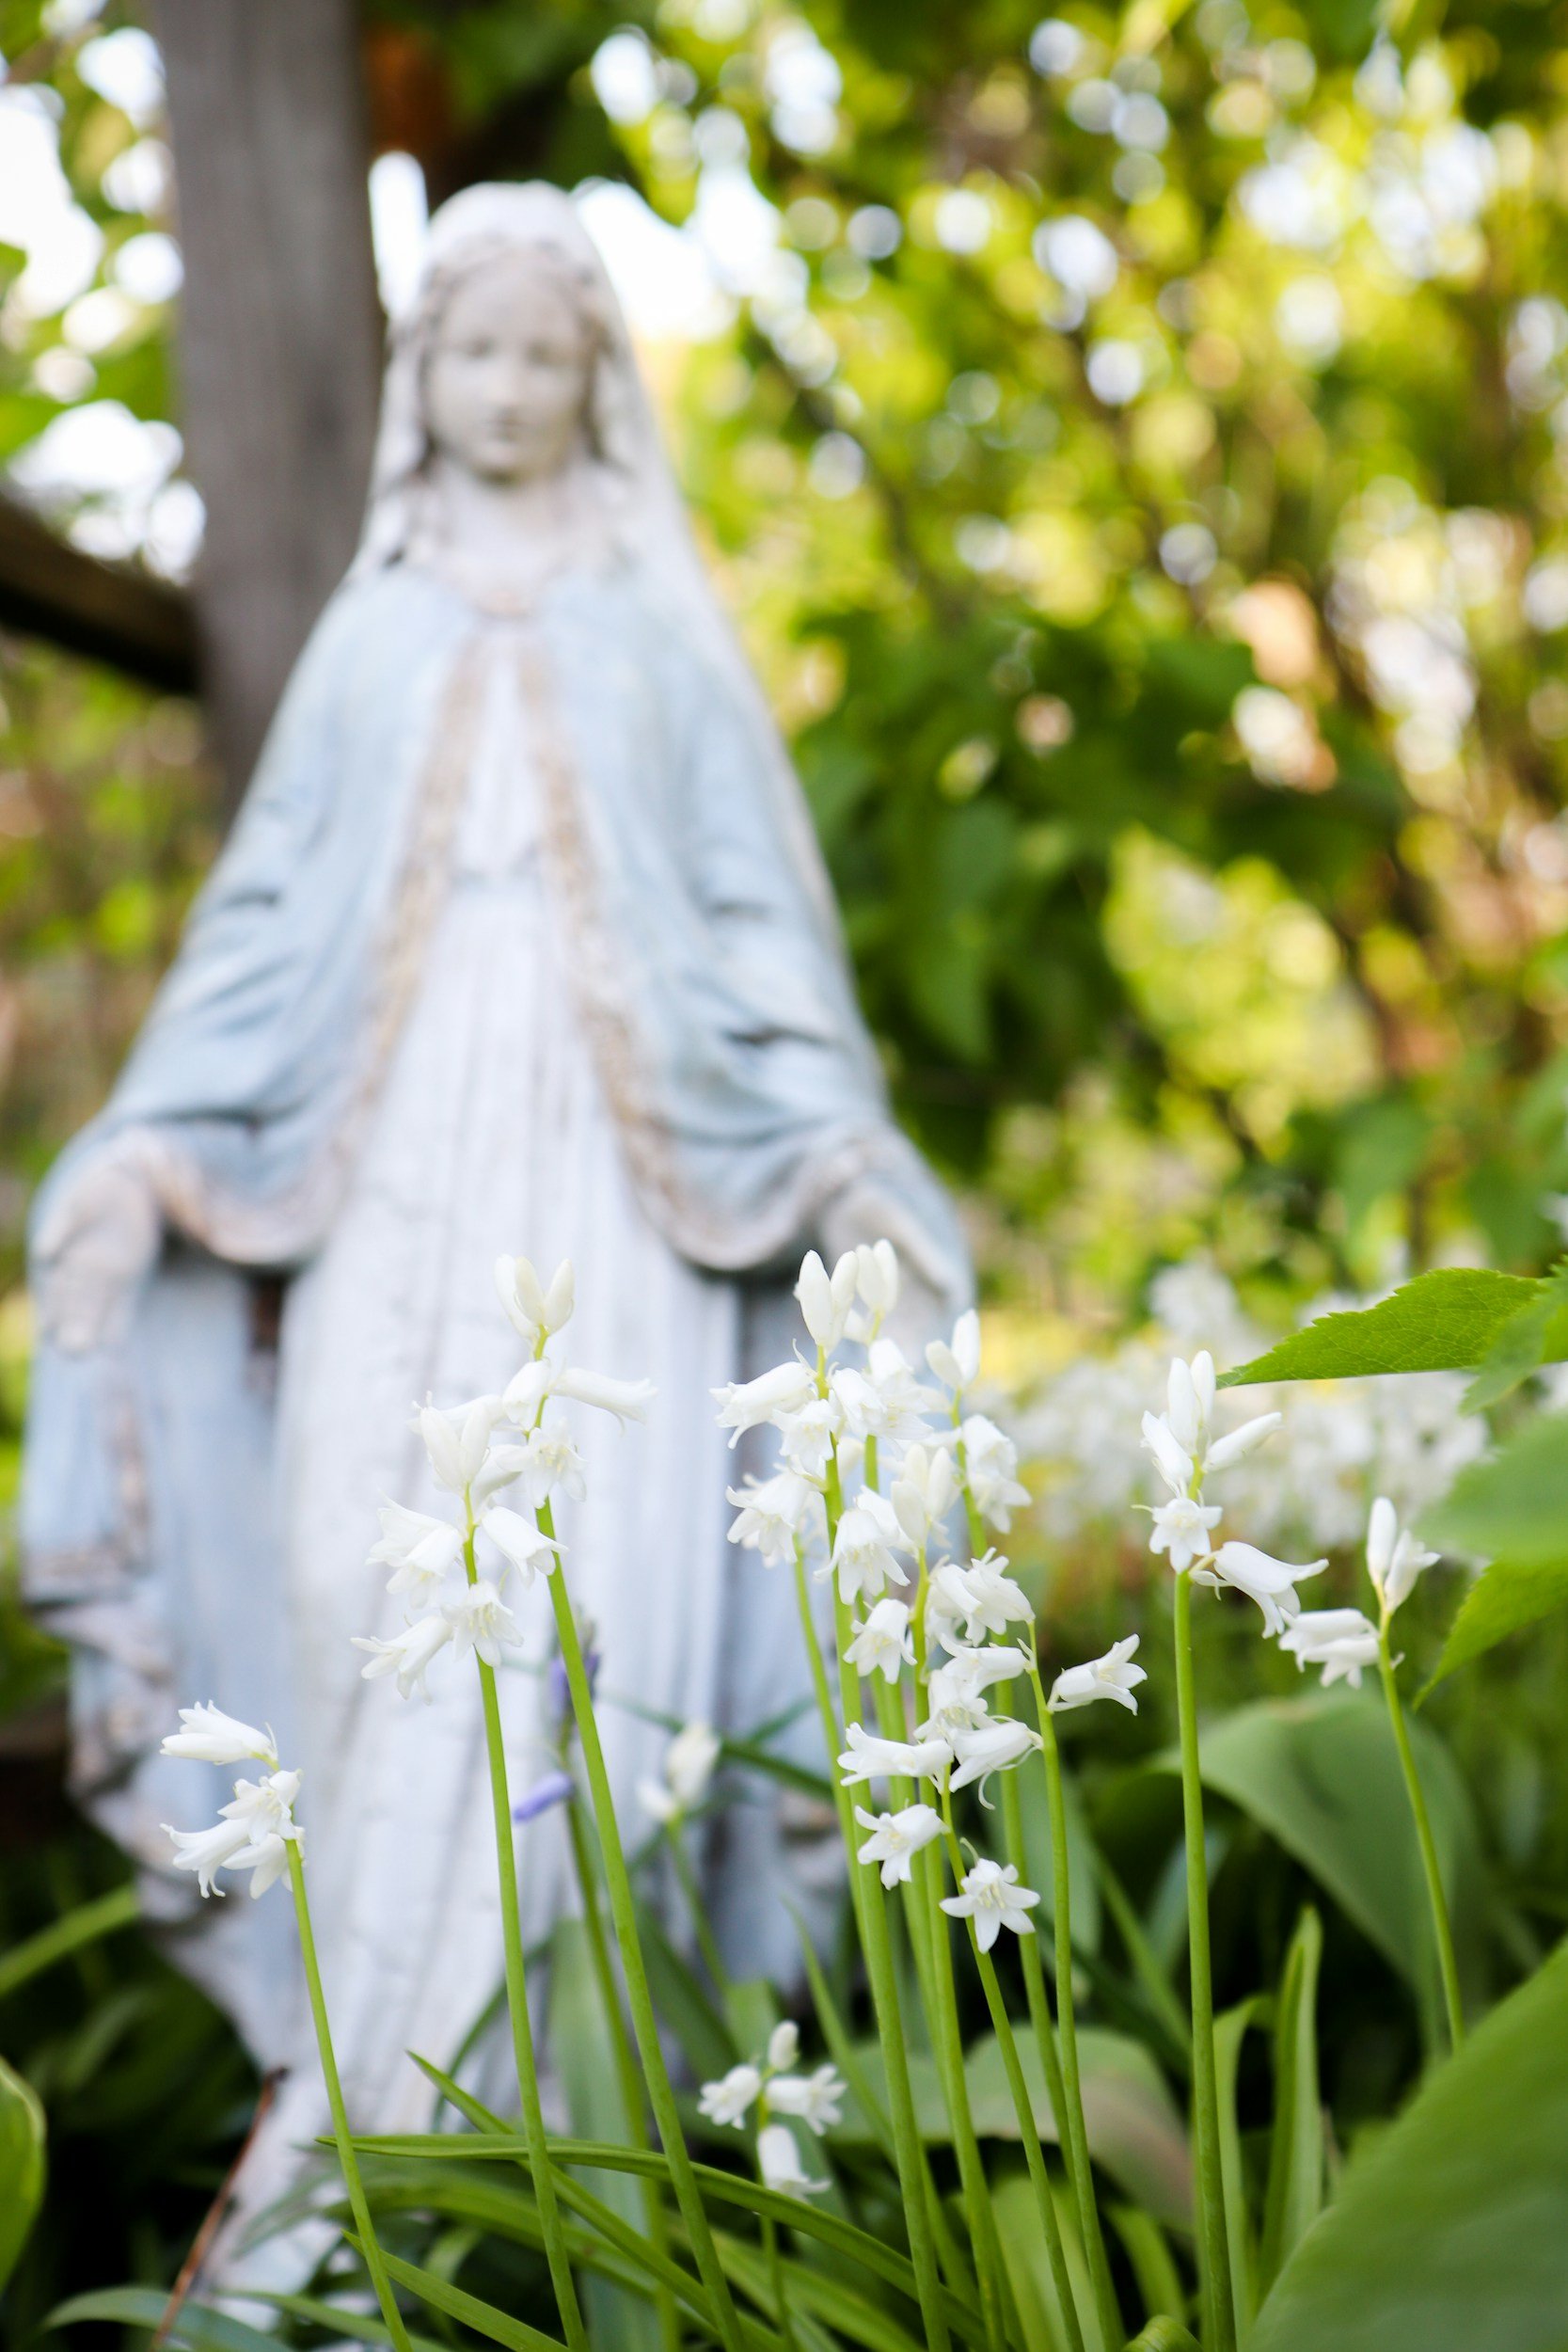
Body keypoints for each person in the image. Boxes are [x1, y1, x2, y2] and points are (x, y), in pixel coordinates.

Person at [22, 182, 968, 2277]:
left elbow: (755, 924)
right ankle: (355, 2162)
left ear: (598, 381)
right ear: (423, 376)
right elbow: (266, 927)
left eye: (551, 353)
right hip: (395, 1188)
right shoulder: (372, 636)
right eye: (477, 351)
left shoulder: (658, 633)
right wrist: (149, 1149)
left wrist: (835, 1148)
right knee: (380, 1607)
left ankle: (591, 2186)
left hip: (626, 1202)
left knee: (591, 1622)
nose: (514, 388)